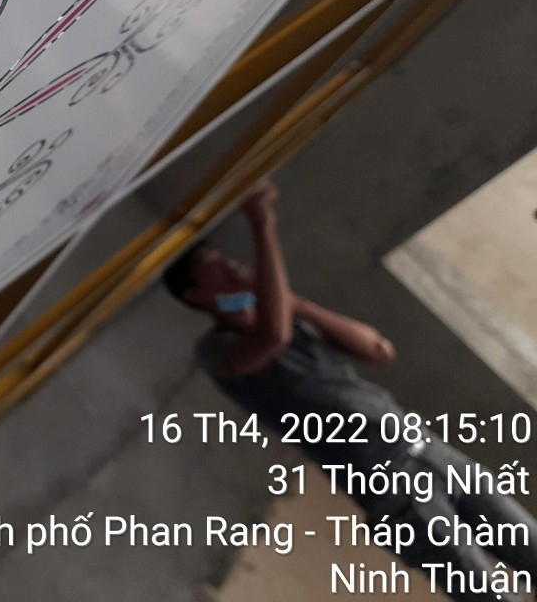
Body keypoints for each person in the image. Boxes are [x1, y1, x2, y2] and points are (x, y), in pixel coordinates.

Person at [164, 182, 537, 601]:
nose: (230, 265)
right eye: (213, 267)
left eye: (224, 257)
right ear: (196, 295)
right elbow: (272, 336)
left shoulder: (293, 320)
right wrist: (261, 224)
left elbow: (378, 350)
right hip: (391, 486)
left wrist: (296, 303)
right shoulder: (217, 350)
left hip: (427, 449)